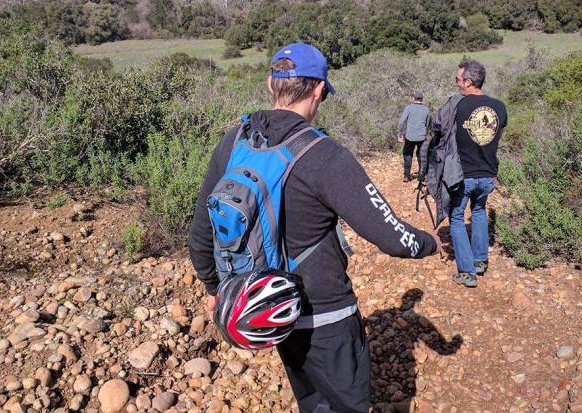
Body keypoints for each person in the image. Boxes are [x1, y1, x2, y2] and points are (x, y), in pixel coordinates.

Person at [188, 42, 441, 413]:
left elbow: (201, 229)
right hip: (326, 315)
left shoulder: (235, 140)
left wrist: (215, 287)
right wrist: (429, 242)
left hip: (271, 310)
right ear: (319, 89)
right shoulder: (325, 156)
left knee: (310, 400)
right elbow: (393, 237)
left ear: (270, 84)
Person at [449, 59, 507, 288]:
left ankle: (466, 271)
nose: (457, 83)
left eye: (458, 79)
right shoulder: (500, 107)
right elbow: (498, 135)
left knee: (456, 217)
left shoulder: (458, 106)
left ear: (469, 82)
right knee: (479, 209)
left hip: (464, 174)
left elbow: (445, 137)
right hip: (488, 173)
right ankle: (480, 260)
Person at [397, 91, 431, 182]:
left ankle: (406, 176)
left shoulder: (409, 108)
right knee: (421, 156)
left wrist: (400, 134)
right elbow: (427, 124)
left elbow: (401, 122)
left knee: (407, 155)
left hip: (409, 137)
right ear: (422, 99)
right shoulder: (426, 109)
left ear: (413, 98)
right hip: (421, 137)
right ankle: (421, 176)